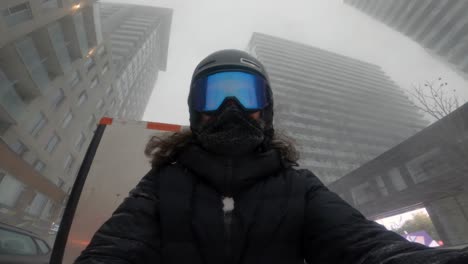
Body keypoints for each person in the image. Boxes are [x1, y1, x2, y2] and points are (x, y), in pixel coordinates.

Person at [75, 49, 467, 264]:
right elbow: (116, 248)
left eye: (247, 95)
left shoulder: (299, 186)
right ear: (196, 110)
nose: (233, 108)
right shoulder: (163, 184)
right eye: (215, 96)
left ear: (267, 108)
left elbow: (364, 247)